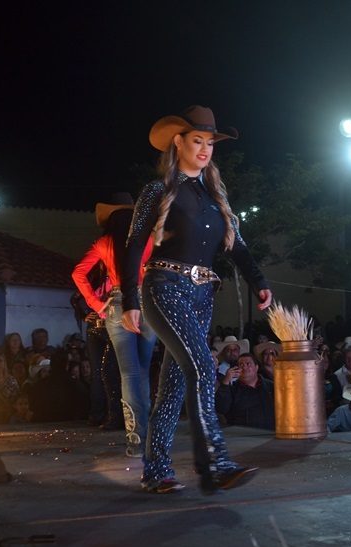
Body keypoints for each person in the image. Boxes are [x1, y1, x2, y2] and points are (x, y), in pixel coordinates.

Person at [121, 106, 272, 495]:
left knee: (174, 386)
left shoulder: (216, 198)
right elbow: (134, 245)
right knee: (204, 367)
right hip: (164, 287)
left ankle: (156, 472)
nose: (205, 149)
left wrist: (259, 282)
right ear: (179, 142)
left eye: (210, 143)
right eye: (197, 141)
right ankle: (216, 463)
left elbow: (238, 247)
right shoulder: (158, 191)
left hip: (204, 295)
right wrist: (129, 299)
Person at [72, 196, 156, 457]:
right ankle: (150, 437)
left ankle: (135, 439)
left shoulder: (103, 243)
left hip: (118, 305)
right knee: (143, 371)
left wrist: (97, 304)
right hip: (147, 304)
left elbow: (78, 273)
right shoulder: (148, 238)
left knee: (128, 374)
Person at [215, 353, 275, 430]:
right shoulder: (232, 390)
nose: (245, 367)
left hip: (270, 433)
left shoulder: (270, 386)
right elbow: (221, 408)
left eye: (248, 364)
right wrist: (226, 382)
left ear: (256, 367)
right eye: (241, 365)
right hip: (241, 434)